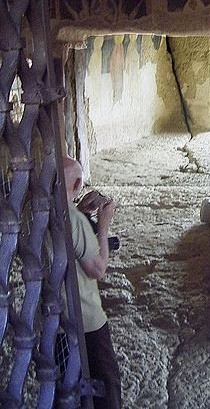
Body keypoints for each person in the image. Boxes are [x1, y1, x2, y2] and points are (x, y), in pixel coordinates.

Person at [62, 156, 122, 409]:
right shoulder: (73, 220)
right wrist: (103, 226)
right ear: (77, 184)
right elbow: (97, 269)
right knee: (106, 384)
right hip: (85, 319)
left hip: (55, 319)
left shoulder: (36, 210)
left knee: (65, 381)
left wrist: (82, 210)